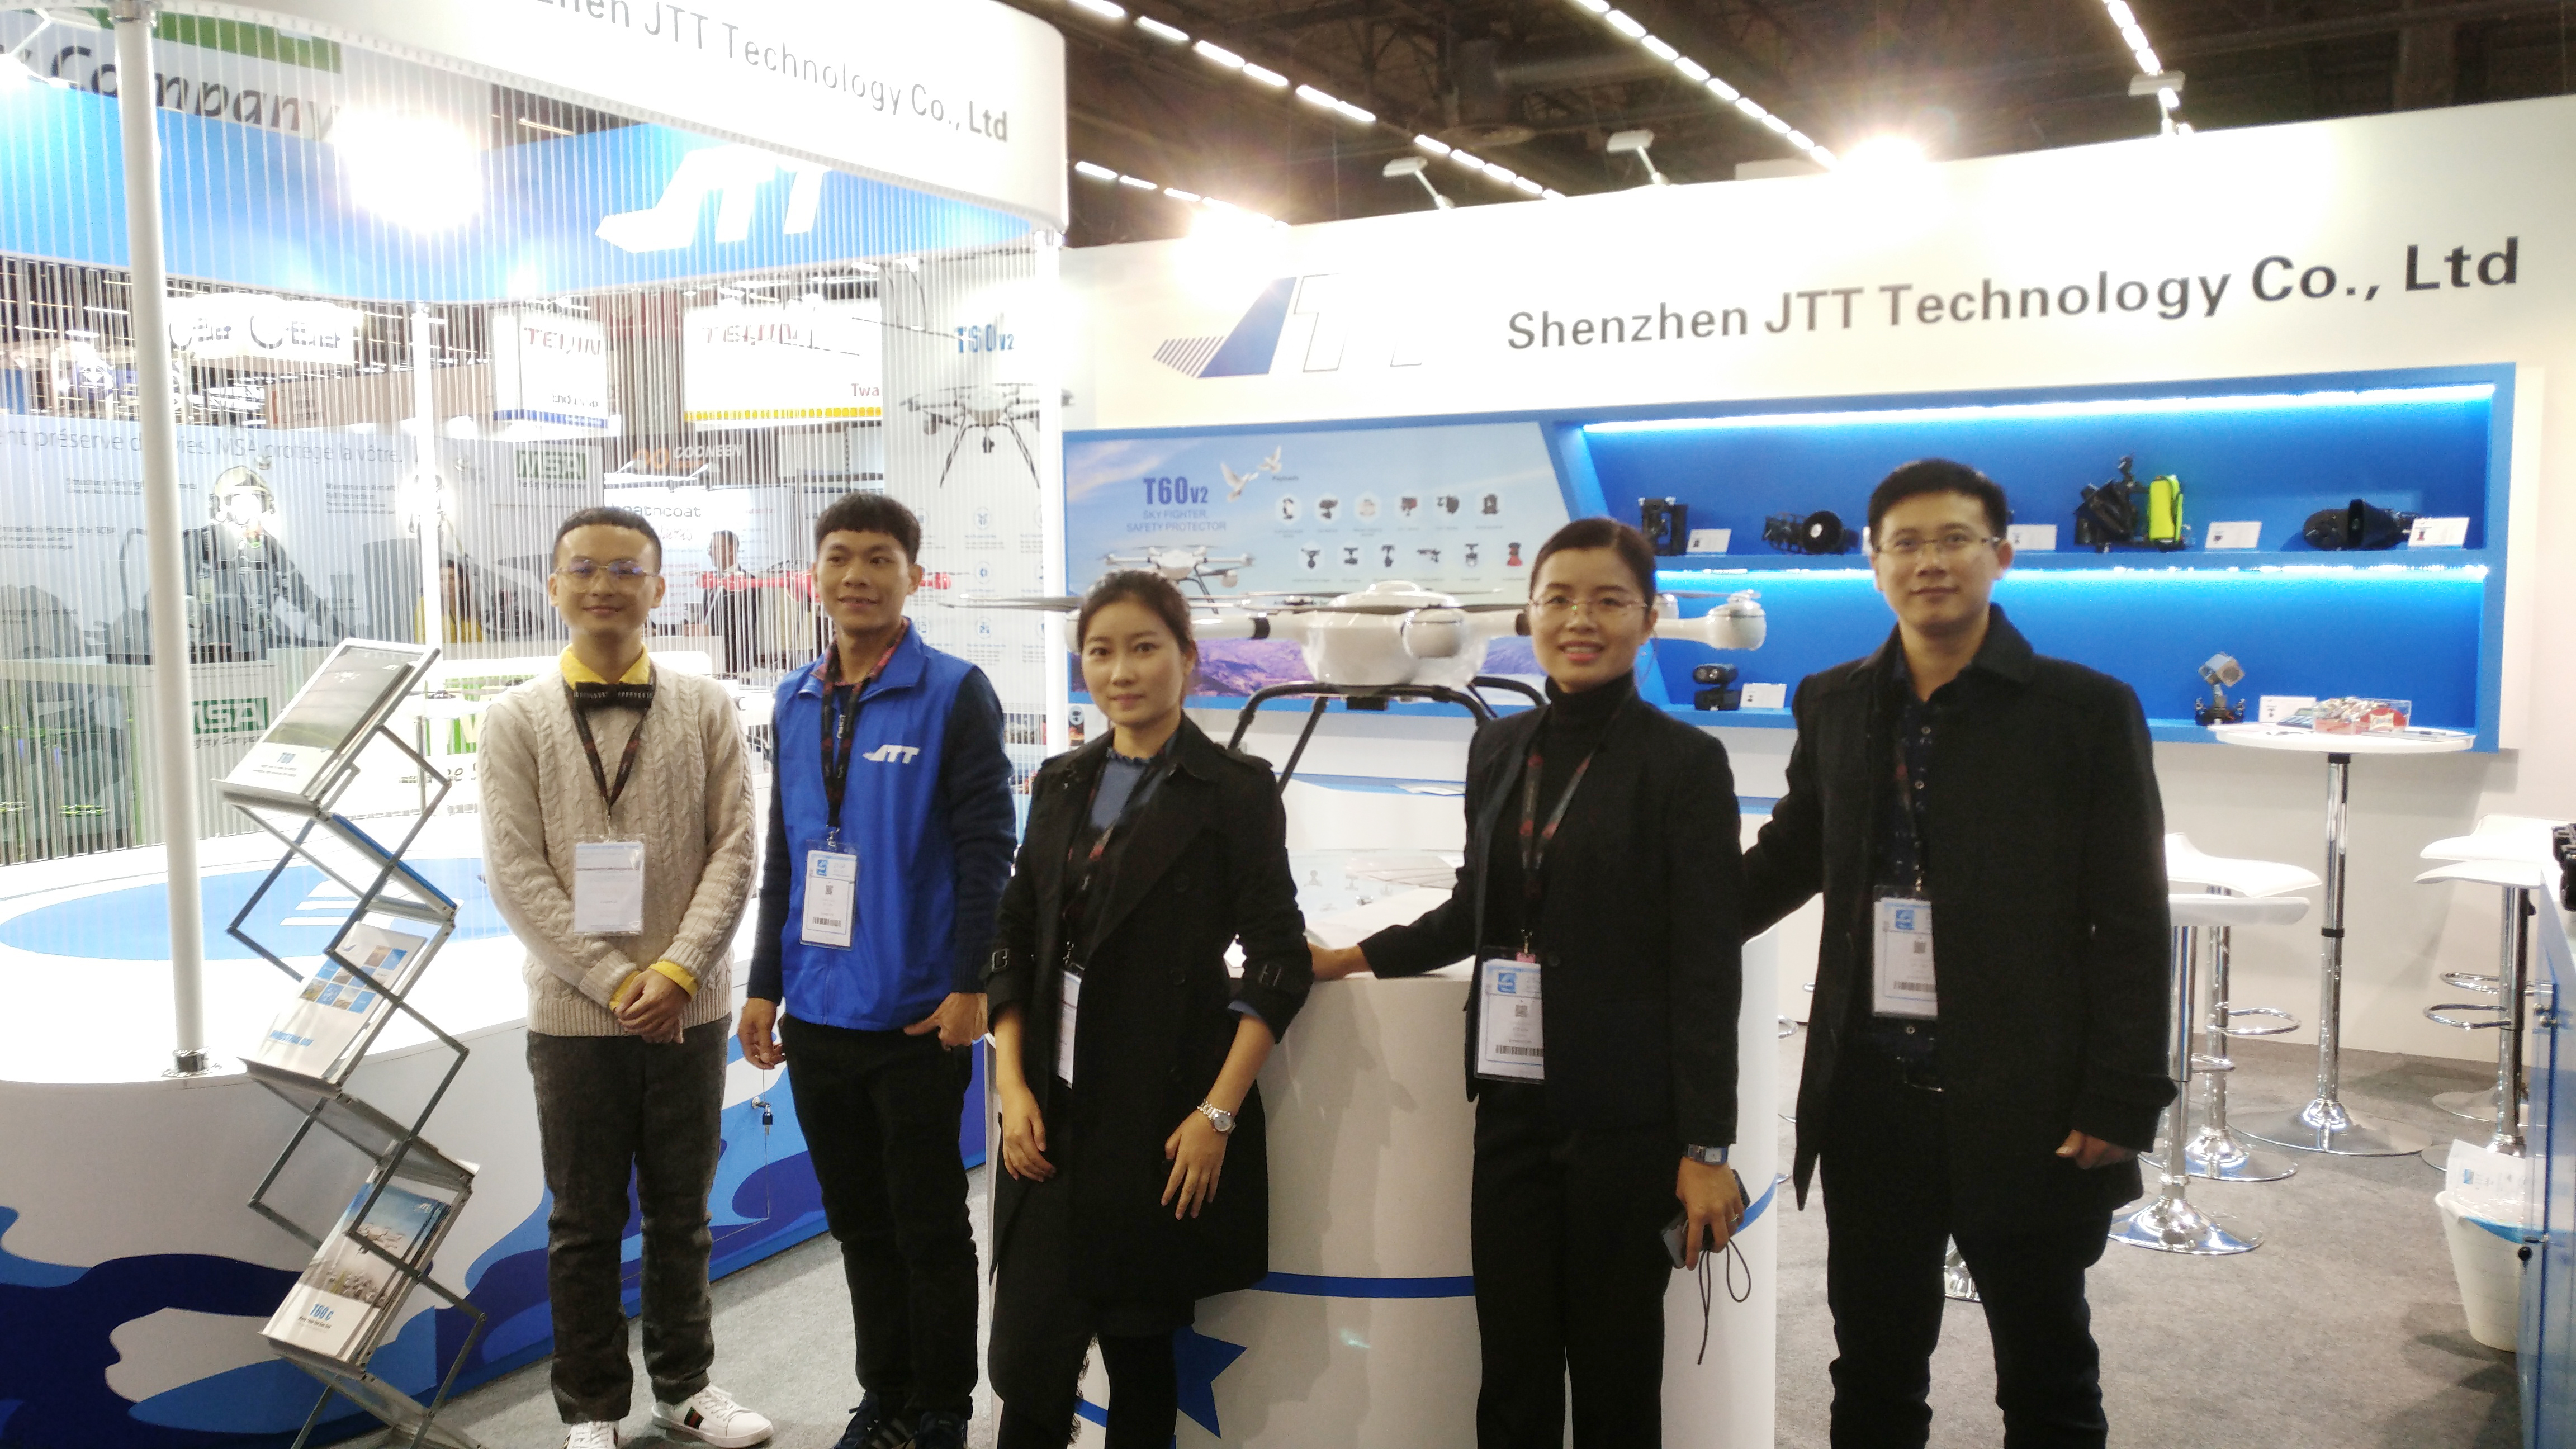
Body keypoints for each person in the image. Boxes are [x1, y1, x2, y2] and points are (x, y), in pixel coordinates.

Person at [1741, 459, 2172, 1448]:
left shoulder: (2081, 711)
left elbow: (2130, 917)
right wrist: (1656, 931)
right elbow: (1788, 858)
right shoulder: (1834, 701)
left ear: (2000, 556)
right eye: (1905, 543)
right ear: (1873, 561)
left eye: (1953, 540)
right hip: (1870, 1095)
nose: (1928, 561)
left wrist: (2121, 1095)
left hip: (2027, 1096)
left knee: (2046, 1369)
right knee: (1873, 1367)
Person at [1310, 517, 1747, 1449]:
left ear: (1649, 617)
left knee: (1615, 1373)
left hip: (1626, 1123)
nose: (1579, 619)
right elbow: (1474, 907)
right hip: (1511, 1108)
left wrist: (1707, 1145)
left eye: (1608, 600)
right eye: (1558, 599)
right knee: (1511, 1369)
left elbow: (1708, 965)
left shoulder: (1684, 764)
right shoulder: (1499, 749)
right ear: (1529, 614)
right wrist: (1350, 956)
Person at [983, 570, 1312, 1448]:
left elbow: (1279, 960)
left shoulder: (1234, 789)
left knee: (1139, 1359)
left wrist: (1217, 1114)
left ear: (1187, 659)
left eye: (1143, 648)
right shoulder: (1061, 780)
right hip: (1049, 1114)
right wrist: (1011, 1086)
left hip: (1157, 1121)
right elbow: (1014, 933)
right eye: (1100, 651)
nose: (1120, 671)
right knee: (1029, 1368)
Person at [478, 506, 771, 1449]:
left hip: (690, 1010)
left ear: (657, 587)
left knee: (683, 1214)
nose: (603, 585)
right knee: (583, 1222)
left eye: (624, 569)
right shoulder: (514, 718)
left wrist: (679, 970)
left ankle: (684, 1388)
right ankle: (592, 1409)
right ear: (554, 587)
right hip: (575, 1017)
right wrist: (614, 979)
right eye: (583, 568)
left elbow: (736, 850)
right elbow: (515, 872)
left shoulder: (707, 708)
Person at [738, 492, 1015, 1449]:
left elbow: (987, 852)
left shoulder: (954, 691)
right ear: (814, 574)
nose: (857, 575)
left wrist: (972, 984)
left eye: (880, 559)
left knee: (928, 1224)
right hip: (818, 1015)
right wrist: (763, 984)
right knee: (857, 1224)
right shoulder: (794, 700)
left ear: (913, 575)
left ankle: (941, 1405)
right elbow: (786, 854)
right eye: (840, 557)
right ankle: (884, 1394)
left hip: (916, 1014)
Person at [695, 530, 758, 674]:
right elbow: (707, 615)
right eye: (710, 548)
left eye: (714, 548)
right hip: (708, 657)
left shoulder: (748, 581)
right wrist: (694, 627)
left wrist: (711, 630)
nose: (710, 553)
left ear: (730, 550)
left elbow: (746, 622)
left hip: (735, 661)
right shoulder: (712, 580)